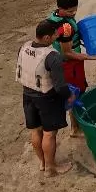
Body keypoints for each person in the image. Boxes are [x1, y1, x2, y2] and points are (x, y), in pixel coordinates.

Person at [17, 19, 76, 177]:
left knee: (36, 130)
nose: (57, 35)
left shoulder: (24, 47)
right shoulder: (52, 56)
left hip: (27, 94)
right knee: (50, 133)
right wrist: (69, 97)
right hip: (47, 98)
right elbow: (60, 86)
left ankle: (43, 163)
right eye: (55, 34)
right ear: (46, 38)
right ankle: (51, 168)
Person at [49, 0, 96, 137]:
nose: (73, 13)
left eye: (75, 10)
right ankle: (75, 128)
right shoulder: (65, 27)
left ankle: (77, 123)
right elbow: (67, 52)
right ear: (60, 8)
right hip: (70, 63)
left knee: (79, 90)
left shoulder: (55, 17)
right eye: (69, 11)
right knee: (74, 93)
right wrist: (92, 57)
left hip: (71, 62)